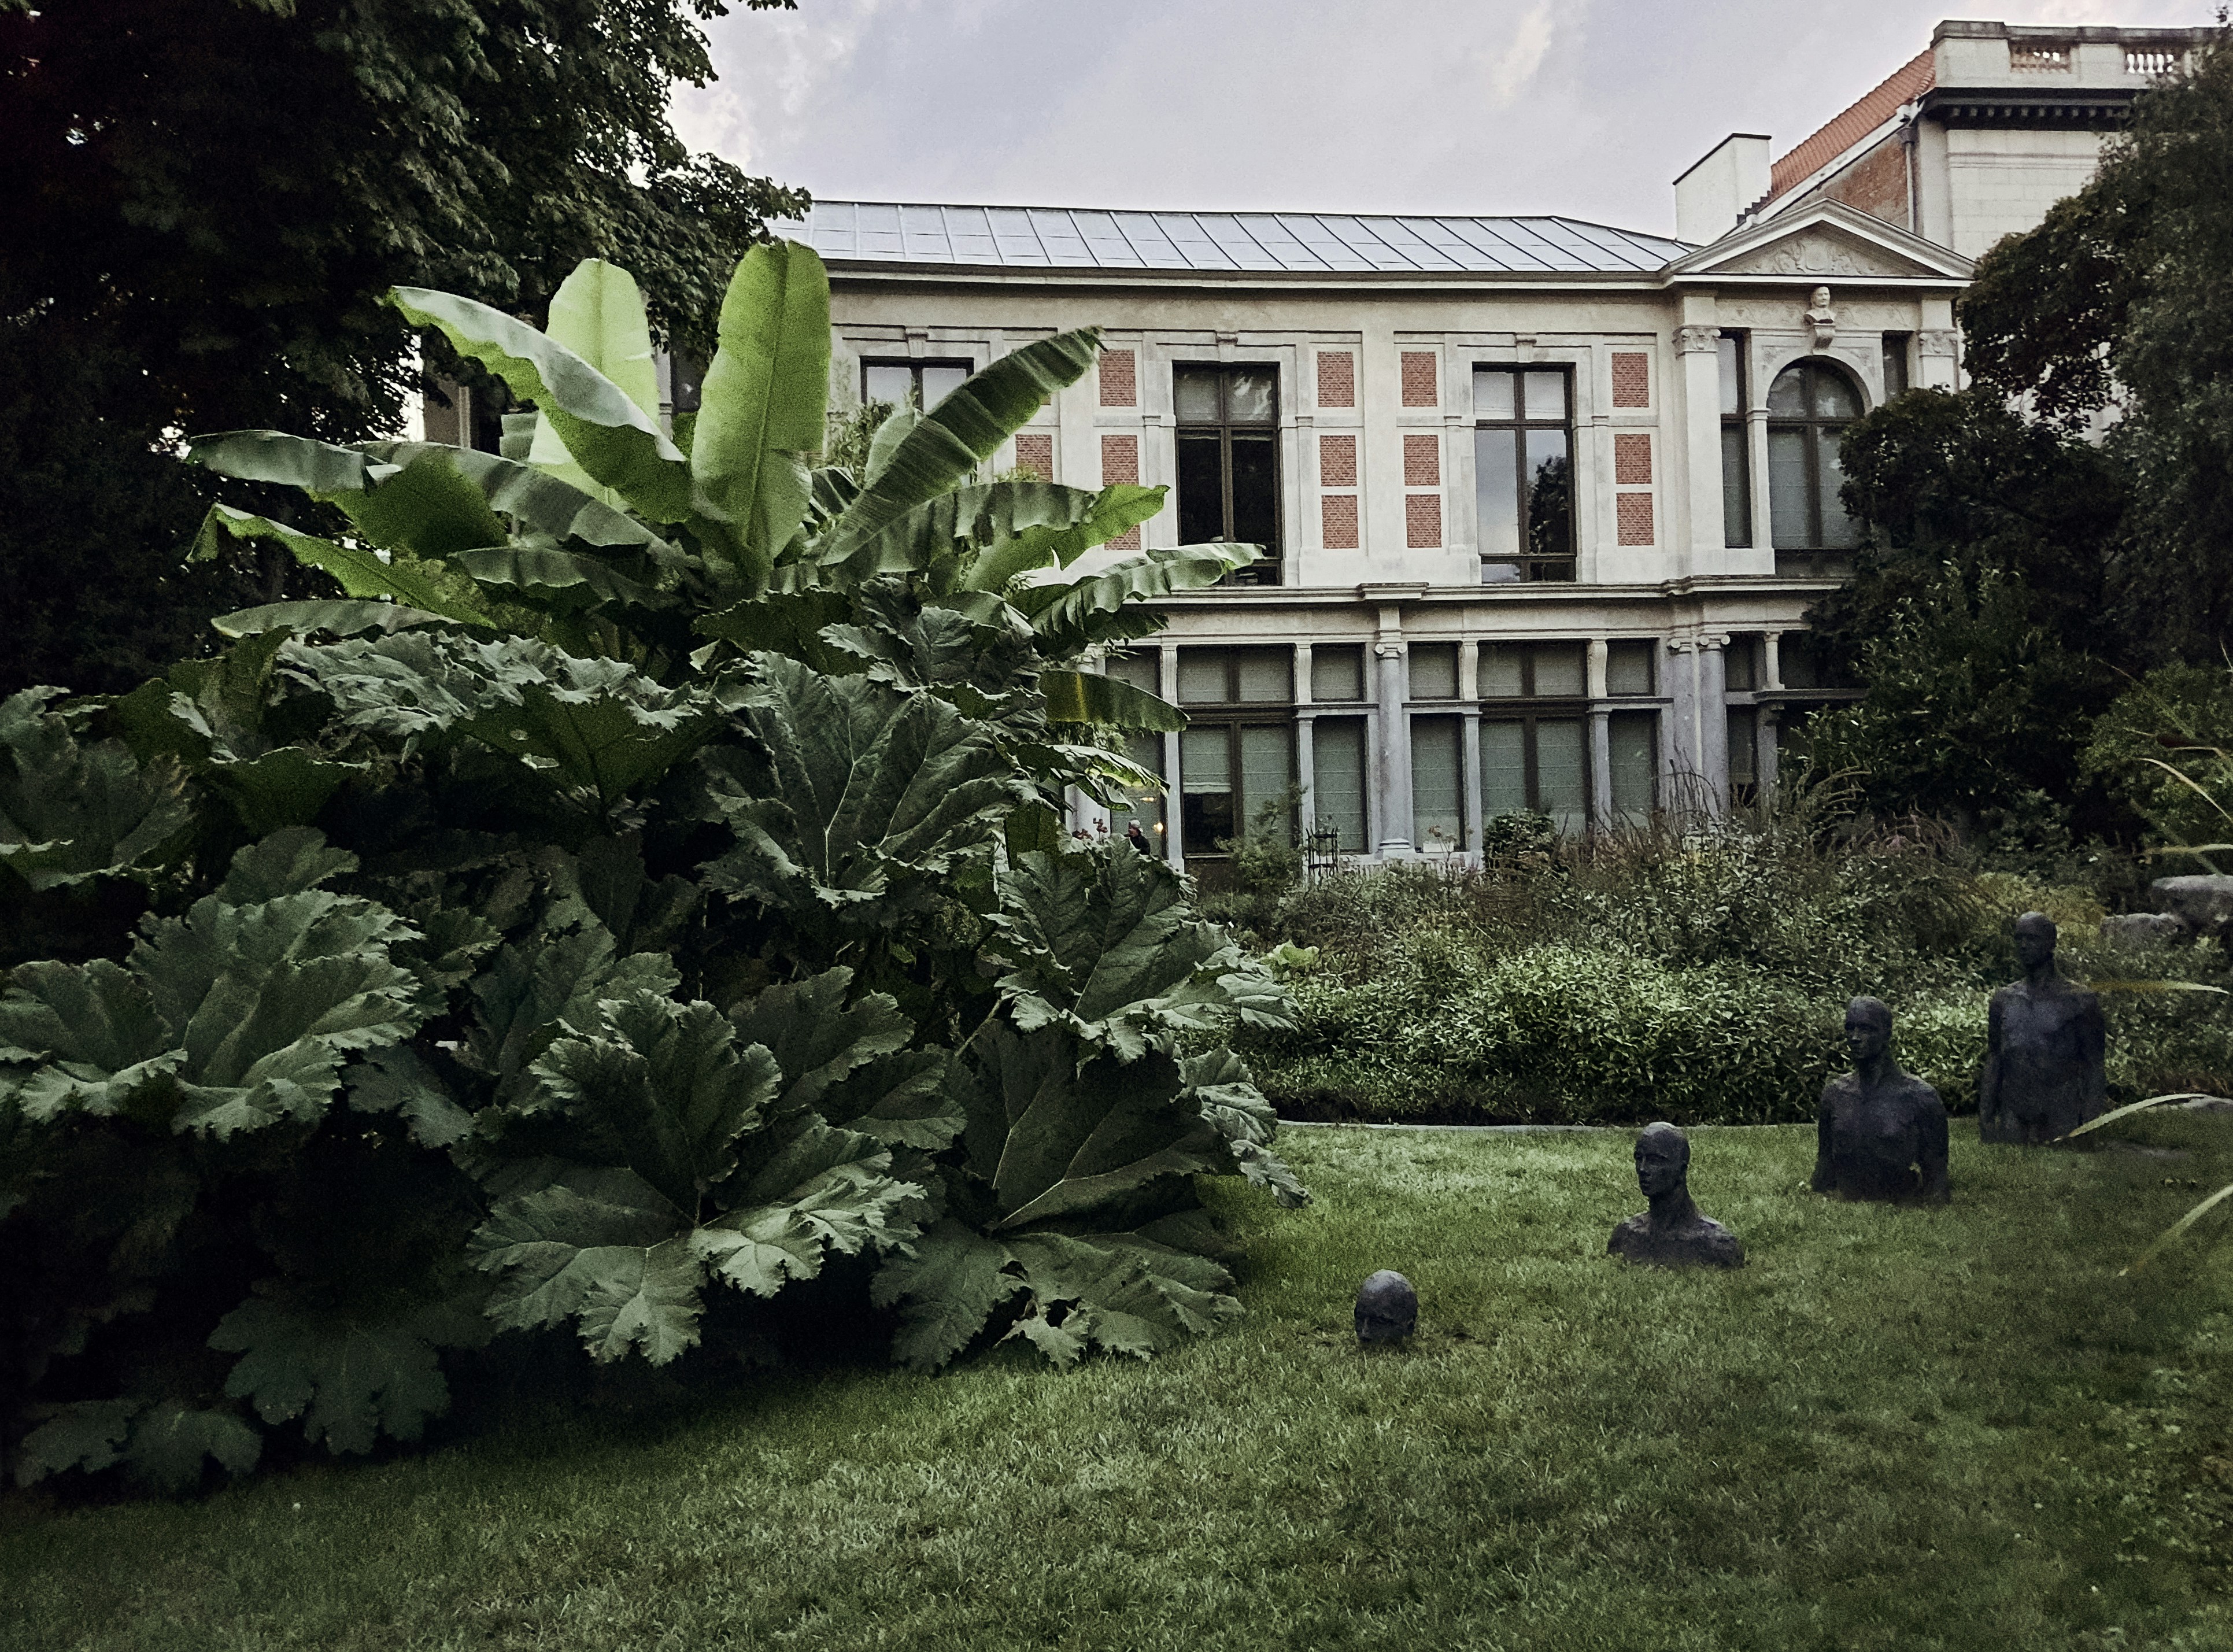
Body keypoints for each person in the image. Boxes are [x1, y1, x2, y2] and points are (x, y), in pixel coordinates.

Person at [1979, 912, 2106, 1144]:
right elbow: (1995, 1058)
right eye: (2019, 939)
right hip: (2014, 1114)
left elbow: (2094, 1066)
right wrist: (1985, 1117)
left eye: (2032, 938)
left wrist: (2090, 1125)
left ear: (2051, 943)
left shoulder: (2079, 1000)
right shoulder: (2004, 999)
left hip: (2060, 1113)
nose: (2024, 946)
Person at [1812, 997, 1950, 1203]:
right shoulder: (1835, 1095)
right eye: (1850, 1029)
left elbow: (1937, 1182)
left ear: (1887, 1033)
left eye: (1866, 1029)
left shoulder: (1921, 1098)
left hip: (1899, 1207)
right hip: (1846, 1212)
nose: (1855, 1038)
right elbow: (1824, 1169)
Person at [1607, 1122, 1744, 1269]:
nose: (1642, 1169)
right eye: (1639, 1158)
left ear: (1681, 1170)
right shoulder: (1626, 1236)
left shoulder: (1717, 1244)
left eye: (1655, 1160)